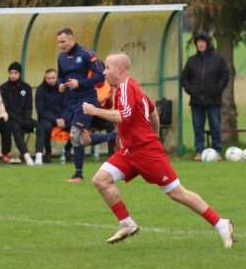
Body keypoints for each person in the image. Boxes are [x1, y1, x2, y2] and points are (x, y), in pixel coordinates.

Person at [82, 52, 235, 248]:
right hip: (131, 152)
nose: (104, 72)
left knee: (177, 193)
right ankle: (126, 223)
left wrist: (94, 111)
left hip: (146, 152)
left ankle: (221, 223)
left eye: (108, 68)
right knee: (101, 179)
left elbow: (125, 116)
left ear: (120, 70)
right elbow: (152, 112)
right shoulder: (124, 89)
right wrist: (149, 137)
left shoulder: (128, 86)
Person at [56, 27, 115, 182]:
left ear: (72, 39)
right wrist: (60, 85)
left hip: (87, 99)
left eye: (63, 41)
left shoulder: (87, 54)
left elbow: (101, 77)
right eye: (58, 42)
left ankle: (78, 175)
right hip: (71, 101)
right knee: (84, 139)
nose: (61, 45)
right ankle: (112, 136)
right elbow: (60, 76)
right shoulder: (61, 58)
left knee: (75, 135)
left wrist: (80, 83)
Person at [180, 31, 230, 160]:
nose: (201, 44)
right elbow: (184, 78)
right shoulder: (191, 61)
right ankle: (199, 151)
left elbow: (225, 76)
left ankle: (217, 151)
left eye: (203, 42)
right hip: (196, 101)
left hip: (213, 100)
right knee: (198, 127)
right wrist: (191, 90)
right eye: (198, 42)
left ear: (207, 43)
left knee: (215, 126)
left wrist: (217, 90)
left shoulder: (218, 59)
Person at [0, 62, 35, 165]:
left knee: (40, 127)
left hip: (23, 119)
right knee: (11, 126)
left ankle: (40, 155)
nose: (13, 75)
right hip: (9, 118)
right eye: (11, 72)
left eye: (15, 72)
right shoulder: (3, 88)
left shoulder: (26, 87)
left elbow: (29, 106)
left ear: (20, 74)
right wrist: (19, 120)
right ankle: (8, 154)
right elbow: (6, 109)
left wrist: (27, 119)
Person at [34, 68, 65, 165]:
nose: (51, 80)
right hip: (46, 118)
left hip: (62, 117)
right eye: (48, 78)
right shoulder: (40, 90)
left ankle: (68, 150)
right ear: (45, 78)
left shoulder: (62, 88)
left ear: (57, 77)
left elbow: (67, 105)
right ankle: (48, 152)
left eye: (53, 78)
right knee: (46, 127)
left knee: (77, 124)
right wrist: (56, 120)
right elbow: (41, 111)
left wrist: (63, 118)